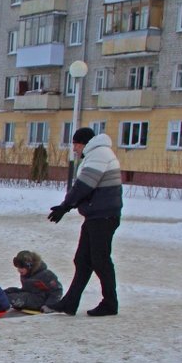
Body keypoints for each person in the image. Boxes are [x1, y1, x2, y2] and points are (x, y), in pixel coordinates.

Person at [47, 127, 123, 316]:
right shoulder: (97, 153)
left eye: (75, 144)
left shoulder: (99, 154)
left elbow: (84, 186)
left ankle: (110, 303)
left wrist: (65, 206)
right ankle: (70, 303)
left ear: (83, 143)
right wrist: (67, 206)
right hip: (97, 216)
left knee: (100, 260)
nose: (74, 149)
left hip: (103, 217)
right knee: (83, 260)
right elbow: (86, 188)